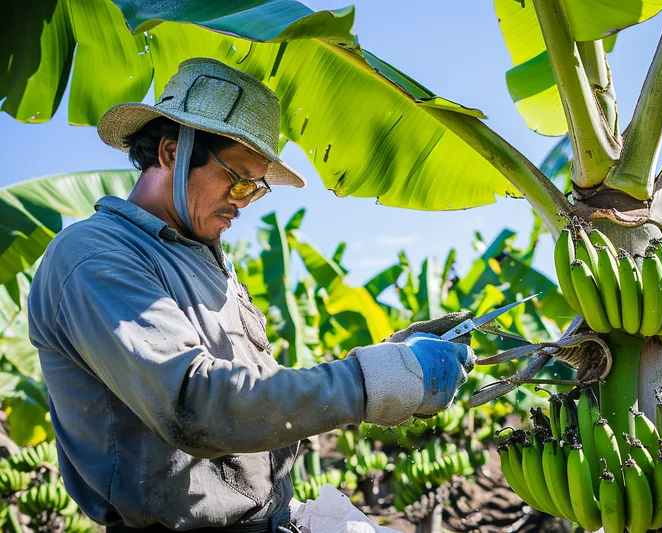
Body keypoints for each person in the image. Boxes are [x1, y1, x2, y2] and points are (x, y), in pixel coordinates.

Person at [27, 58, 476, 532]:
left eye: (255, 189)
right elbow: (196, 405)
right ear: (171, 153)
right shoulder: (95, 258)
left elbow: (255, 389)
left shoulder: (203, 256)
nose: (243, 202)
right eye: (237, 179)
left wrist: (389, 359)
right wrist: (369, 382)